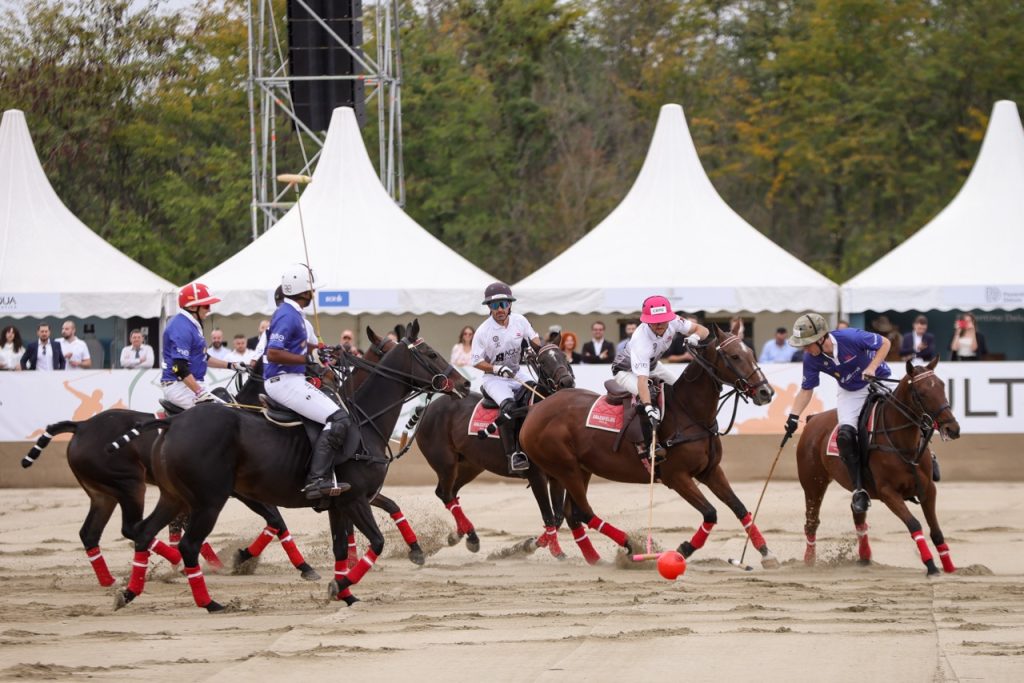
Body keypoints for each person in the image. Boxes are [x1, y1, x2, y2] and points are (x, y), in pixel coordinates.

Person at [784, 313, 891, 514]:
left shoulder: (850, 337)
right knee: (845, 435)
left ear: (821, 338)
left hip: (878, 378)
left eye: (807, 344)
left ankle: (929, 454)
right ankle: (859, 490)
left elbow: (885, 343)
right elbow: (807, 389)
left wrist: (872, 367)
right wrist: (794, 415)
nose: (805, 349)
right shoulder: (811, 358)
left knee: (907, 410)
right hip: (851, 391)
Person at [264, 264, 352, 499]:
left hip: (293, 378)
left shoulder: (297, 316)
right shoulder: (286, 314)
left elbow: (308, 346)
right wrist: (308, 357)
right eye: (311, 289)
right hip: (283, 380)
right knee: (338, 419)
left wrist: (329, 351)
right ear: (303, 291)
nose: (313, 293)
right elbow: (273, 352)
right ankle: (316, 480)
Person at [611, 296, 709, 459]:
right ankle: (651, 447)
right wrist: (649, 406)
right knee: (649, 398)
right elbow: (642, 381)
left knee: (681, 387)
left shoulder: (674, 321)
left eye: (663, 320)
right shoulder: (640, 341)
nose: (659, 325)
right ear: (647, 321)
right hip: (625, 371)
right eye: (654, 321)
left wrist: (694, 337)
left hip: (654, 365)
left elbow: (703, 330)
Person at [471, 282, 542, 473]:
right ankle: (513, 456)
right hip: (494, 378)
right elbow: (476, 361)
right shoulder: (483, 331)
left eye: (503, 304)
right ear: (489, 308)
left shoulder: (520, 321)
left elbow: (536, 341)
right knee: (509, 407)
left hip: (516, 372)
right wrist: (495, 368)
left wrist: (537, 352)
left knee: (538, 396)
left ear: (510, 304)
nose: (500, 309)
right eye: (495, 306)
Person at [161, 283, 244, 409]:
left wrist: (232, 365)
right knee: (222, 415)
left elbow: (203, 357)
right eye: (206, 305)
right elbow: (178, 367)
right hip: (179, 386)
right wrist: (199, 392)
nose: (209, 309)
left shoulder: (191, 324)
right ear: (193, 307)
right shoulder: (181, 327)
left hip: (190, 384)